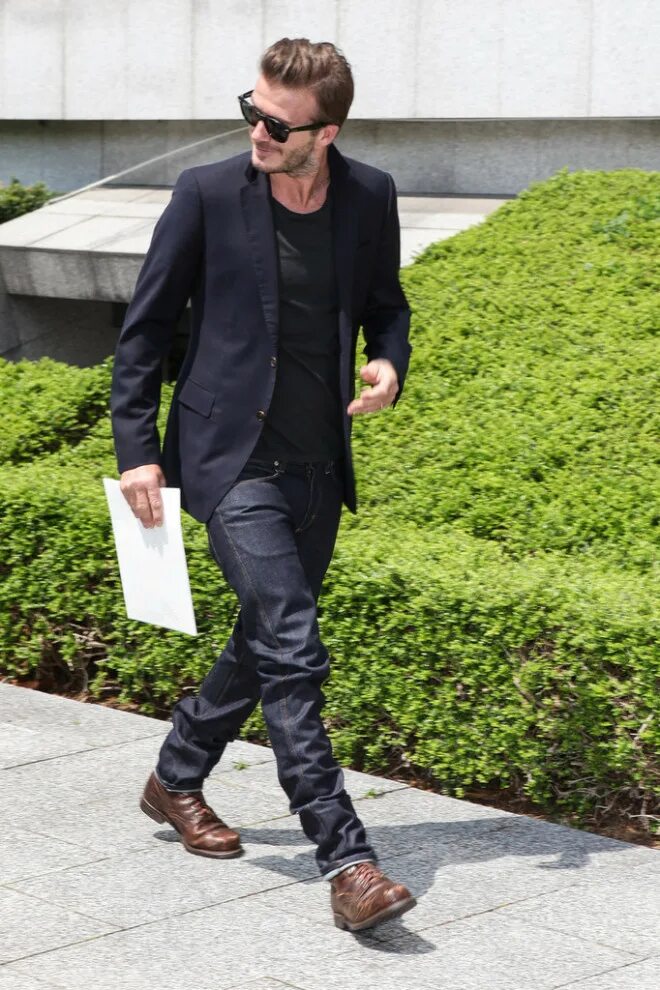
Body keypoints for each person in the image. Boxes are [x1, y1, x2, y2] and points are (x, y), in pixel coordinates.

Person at [111, 37, 414, 932]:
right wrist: (137, 450)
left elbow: (387, 306)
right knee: (293, 644)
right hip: (228, 461)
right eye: (251, 111)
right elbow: (145, 330)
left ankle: (175, 775)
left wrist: (389, 364)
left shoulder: (370, 196)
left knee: (264, 639)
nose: (256, 132)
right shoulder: (206, 194)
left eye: (277, 125)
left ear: (325, 133)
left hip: (318, 465)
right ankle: (348, 860)